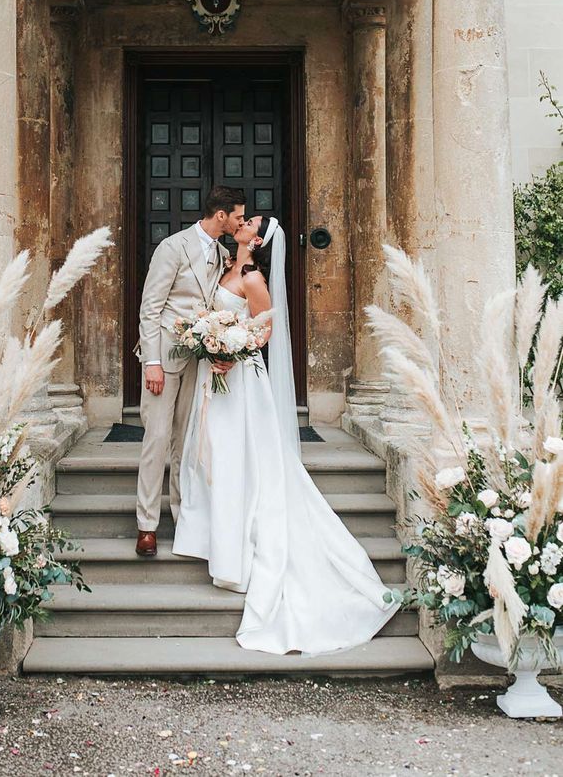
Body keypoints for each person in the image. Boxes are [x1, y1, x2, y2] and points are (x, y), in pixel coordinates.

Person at [172, 214, 399, 655]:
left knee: (241, 457)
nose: (241, 220)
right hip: (216, 379)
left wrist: (228, 350)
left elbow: (265, 331)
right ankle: (212, 534)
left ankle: (237, 546)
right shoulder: (223, 266)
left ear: (255, 239)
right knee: (215, 455)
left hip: (240, 380)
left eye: (249, 220)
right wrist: (208, 340)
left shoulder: (253, 278)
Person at [134, 186, 246, 558]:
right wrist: (151, 361)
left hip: (198, 358)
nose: (240, 222)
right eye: (238, 216)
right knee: (157, 438)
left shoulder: (221, 252)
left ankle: (183, 518)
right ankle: (147, 525)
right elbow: (150, 308)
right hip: (164, 358)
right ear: (221, 216)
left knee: (186, 441)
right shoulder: (172, 248)